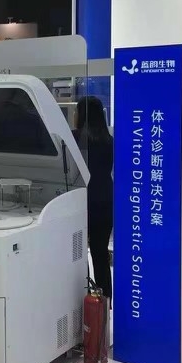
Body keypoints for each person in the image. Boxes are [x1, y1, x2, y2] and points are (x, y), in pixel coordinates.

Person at [74, 96, 113, 299]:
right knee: (100, 253)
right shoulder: (110, 141)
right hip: (105, 199)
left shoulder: (74, 138)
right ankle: (105, 300)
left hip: (81, 201)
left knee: (78, 254)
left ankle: (84, 298)